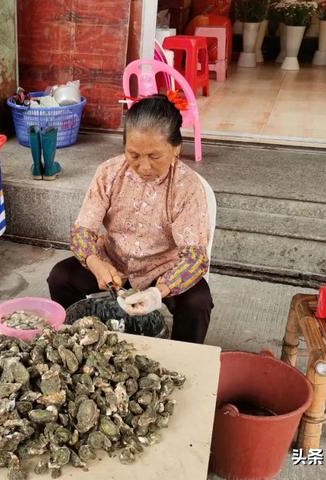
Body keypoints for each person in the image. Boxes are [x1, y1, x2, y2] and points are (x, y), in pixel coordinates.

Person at [47, 95, 213, 344]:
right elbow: (82, 231)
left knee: (197, 301)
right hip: (113, 264)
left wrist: (159, 293)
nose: (143, 166)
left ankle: (181, 360)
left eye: (154, 156)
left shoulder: (187, 187)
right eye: (133, 155)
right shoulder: (109, 173)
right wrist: (95, 263)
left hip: (163, 270)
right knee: (61, 277)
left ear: (176, 148)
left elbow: (195, 258)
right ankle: (84, 341)